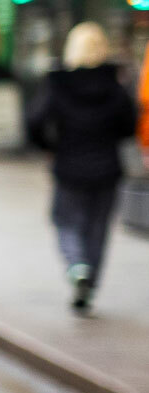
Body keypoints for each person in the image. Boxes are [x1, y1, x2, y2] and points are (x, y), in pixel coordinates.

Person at [25, 21, 140, 313]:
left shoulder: (58, 82)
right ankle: (89, 284)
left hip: (69, 165)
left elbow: (35, 121)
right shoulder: (115, 83)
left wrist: (48, 148)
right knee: (97, 229)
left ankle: (77, 266)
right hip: (107, 168)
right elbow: (129, 125)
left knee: (65, 220)